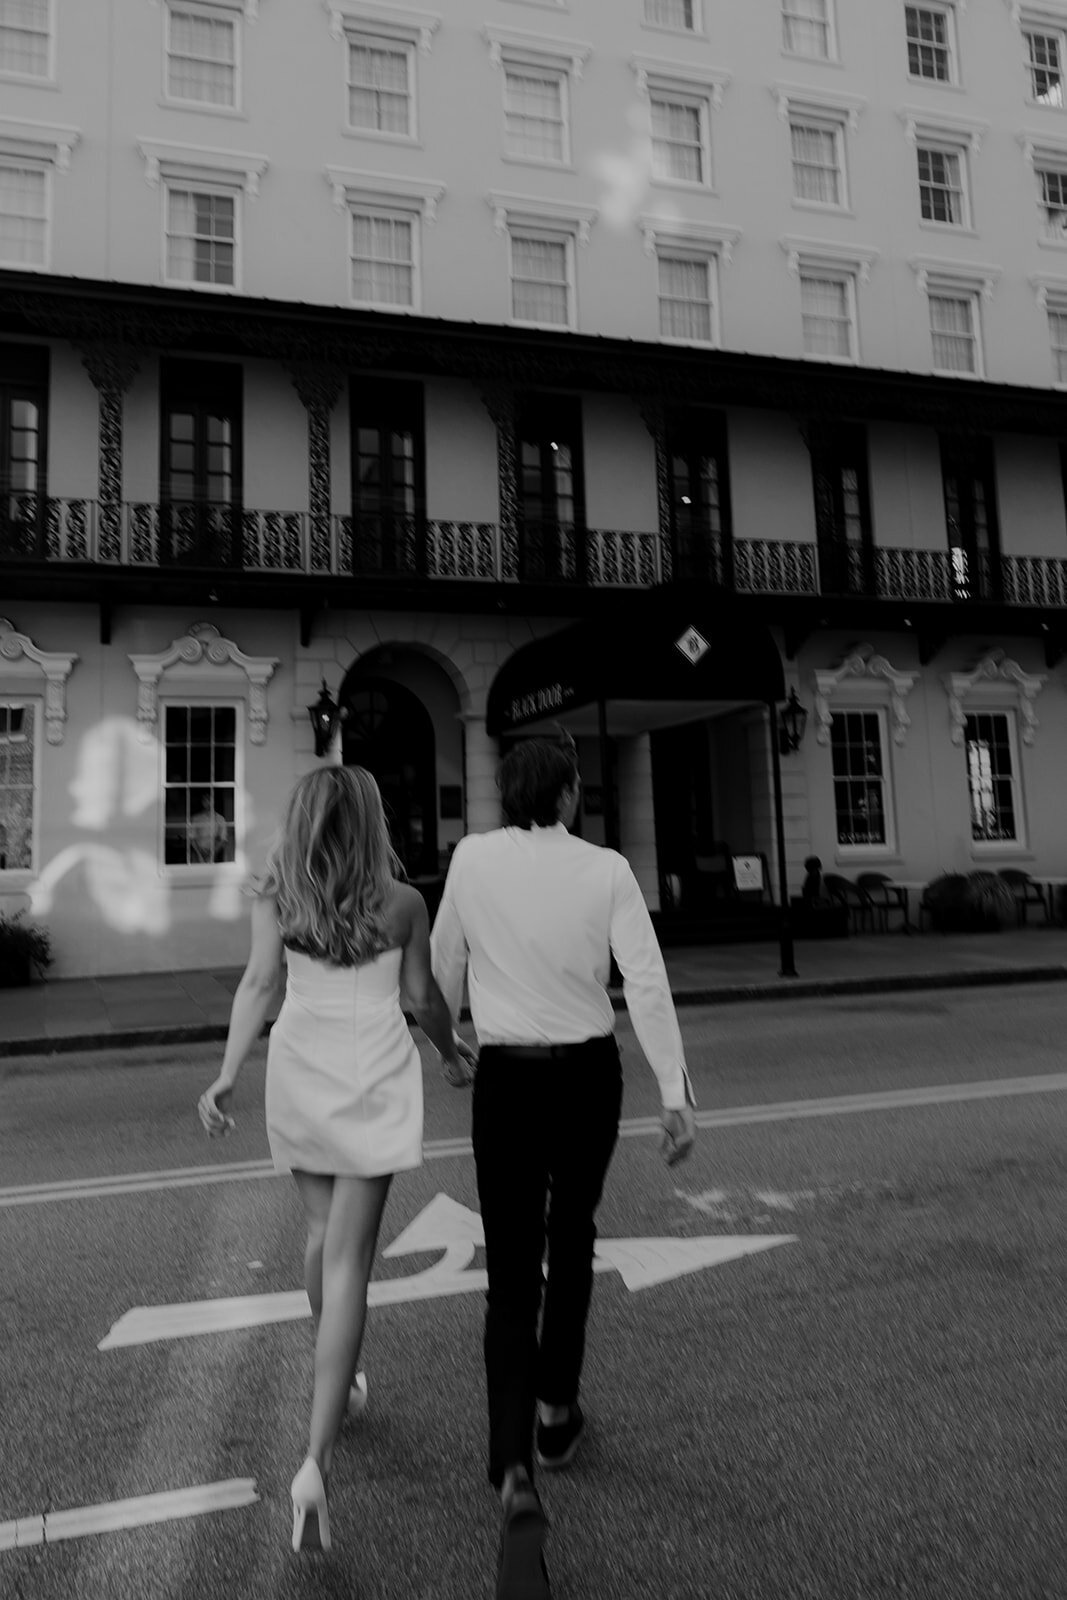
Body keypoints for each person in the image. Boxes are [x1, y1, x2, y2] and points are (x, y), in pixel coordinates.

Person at [430, 733, 697, 1600]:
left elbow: (440, 967)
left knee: (509, 1274)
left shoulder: (469, 860)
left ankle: (512, 1469)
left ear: (508, 793)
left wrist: (447, 1044)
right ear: (570, 794)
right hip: (586, 1075)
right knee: (570, 1240)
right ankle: (554, 1415)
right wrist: (673, 1091)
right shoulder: (607, 869)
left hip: (505, 1078)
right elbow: (645, 981)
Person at [198, 765, 471, 1554]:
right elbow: (422, 999)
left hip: (301, 1070)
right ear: (372, 822)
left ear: (303, 822)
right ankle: (315, 1458)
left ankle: (339, 1375)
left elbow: (258, 983)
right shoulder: (404, 903)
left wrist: (225, 1074)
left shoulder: (278, 895)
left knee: (323, 1238)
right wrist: (452, 1054)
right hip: (375, 1075)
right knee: (351, 1263)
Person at [189, 791, 229, 863]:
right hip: (197, 854)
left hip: (214, 855)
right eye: (204, 800)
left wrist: (212, 852)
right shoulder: (196, 818)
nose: (207, 802)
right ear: (202, 802)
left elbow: (223, 839)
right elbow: (192, 838)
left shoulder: (220, 819)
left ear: (214, 801)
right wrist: (199, 853)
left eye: (209, 799)